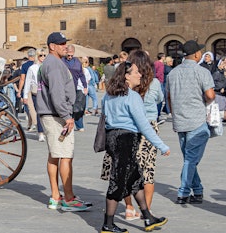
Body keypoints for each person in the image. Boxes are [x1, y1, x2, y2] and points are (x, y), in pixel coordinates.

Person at [100, 61, 169, 233]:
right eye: (136, 72)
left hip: (112, 138)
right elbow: (144, 125)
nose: (140, 75)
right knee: (118, 181)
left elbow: (105, 118)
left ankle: (148, 217)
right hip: (126, 140)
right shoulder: (132, 97)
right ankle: (108, 225)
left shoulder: (108, 95)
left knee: (135, 179)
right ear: (127, 76)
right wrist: (161, 146)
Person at [35, 32, 90, 212]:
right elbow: (57, 94)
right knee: (65, 156)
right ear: (52, 46)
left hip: (49, 114)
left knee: (54, 155)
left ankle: (55, 196)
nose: (65, 46)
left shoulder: (48, 64)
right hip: (57, 116)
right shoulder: (55, 65)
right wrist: (67, 116)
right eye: (61, 43)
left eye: (65, 43)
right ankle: (68, 198)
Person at [166, 40, 215, 205]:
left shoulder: (172, 73)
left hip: (180, 121)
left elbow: (169, 98)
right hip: (196, 120)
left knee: (189, 158)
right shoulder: (202, 72)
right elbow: (210, 96)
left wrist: (175, 114)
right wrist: (205, 103)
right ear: (196, 54)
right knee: (191, 159)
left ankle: (198, 190)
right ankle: (183, 193)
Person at [22, 48, 47, 140]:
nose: (43, 57)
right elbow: (27, 82)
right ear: (37, 56)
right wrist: (25, 96)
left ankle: (45, 130)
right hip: (36, 92)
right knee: (39, 112)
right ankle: (40, 132)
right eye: (41, 55)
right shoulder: (32, 68)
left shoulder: (47, 66)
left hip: (47, 92)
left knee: (46, 113)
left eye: (44, 55)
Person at [63, 44, 87, 132]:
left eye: (71, 55)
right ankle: (67, 123)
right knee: (67, 107)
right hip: (64, 88)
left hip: (75, 87)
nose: (69, 57)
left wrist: (85, 86)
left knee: (77, 107)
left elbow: (81, 74)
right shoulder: (61, 61)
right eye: (68, 55)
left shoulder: (77, 62)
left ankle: (79, 125)